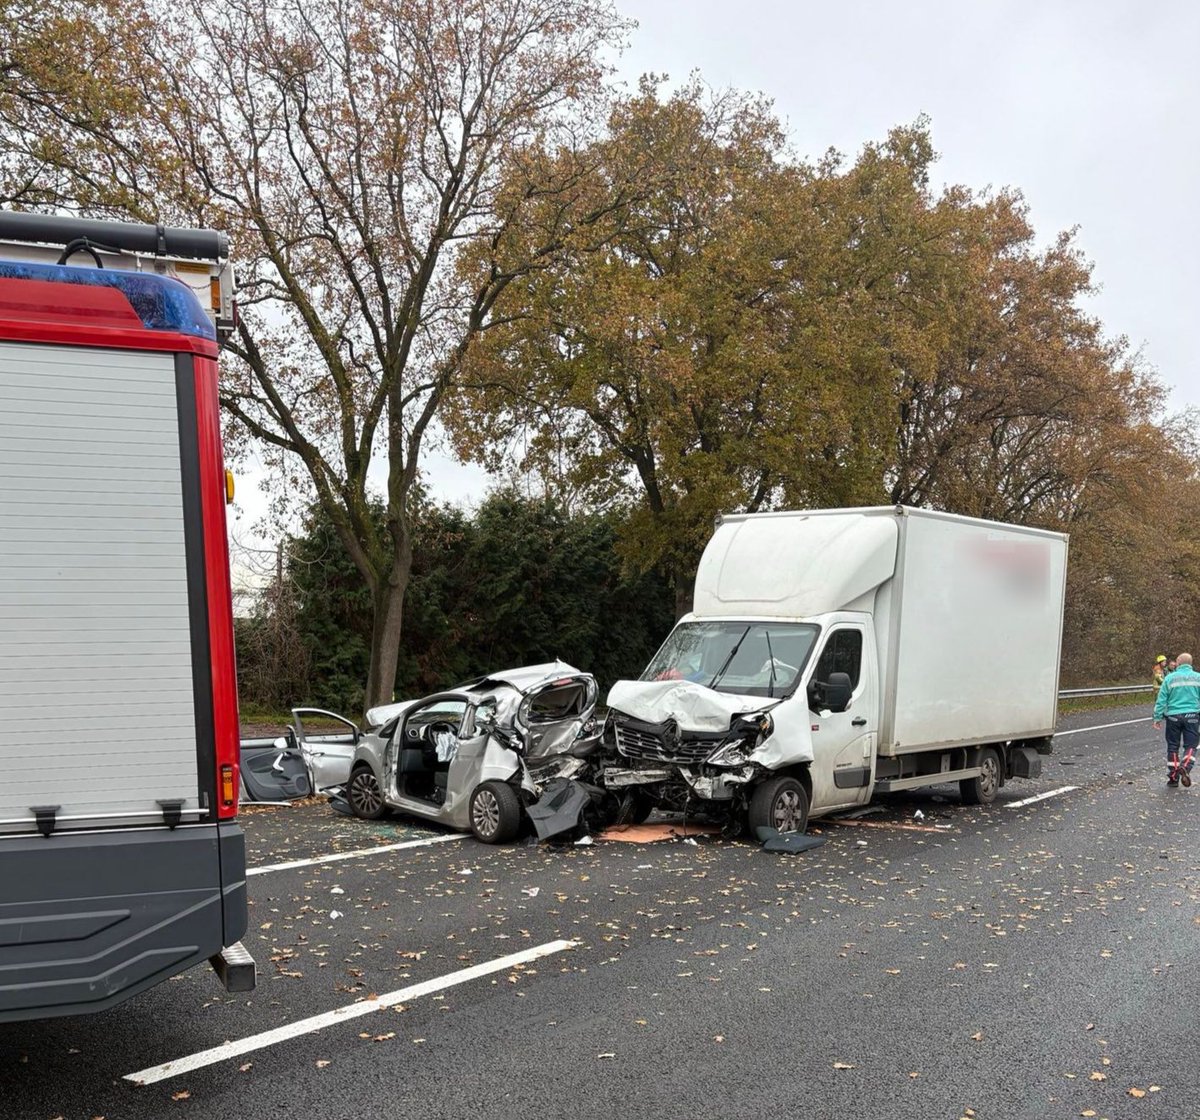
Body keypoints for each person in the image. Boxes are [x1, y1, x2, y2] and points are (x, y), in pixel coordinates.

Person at [1153, 652, 1200, 786]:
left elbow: (1161, 700)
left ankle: (1173, 778)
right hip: (1192, 716)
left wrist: (1157, 717)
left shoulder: (1169, 678)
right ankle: (1185, 766)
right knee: (1191, 745)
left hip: (1173, 717)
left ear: (1178, 663)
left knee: (1173, 746)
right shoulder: (1198, 678)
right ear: (1190, 664)